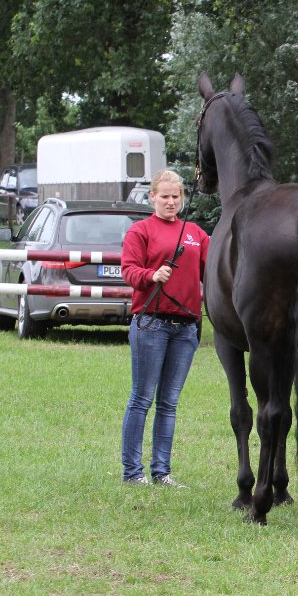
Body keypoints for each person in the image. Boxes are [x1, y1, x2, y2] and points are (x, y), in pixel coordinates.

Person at [119, 169, 210, 487]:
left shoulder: (195, 233)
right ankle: (132, 472)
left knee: (169, 402)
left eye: (176, 197)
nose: (171, 202)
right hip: (150, 324)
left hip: (186, 329)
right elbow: (128, 270)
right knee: (142, 398)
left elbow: (214, 268)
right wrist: (150, 275)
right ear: (153, 197)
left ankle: (162, 472)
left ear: (182, 198)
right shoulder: (140, 231)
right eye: (165, 196)